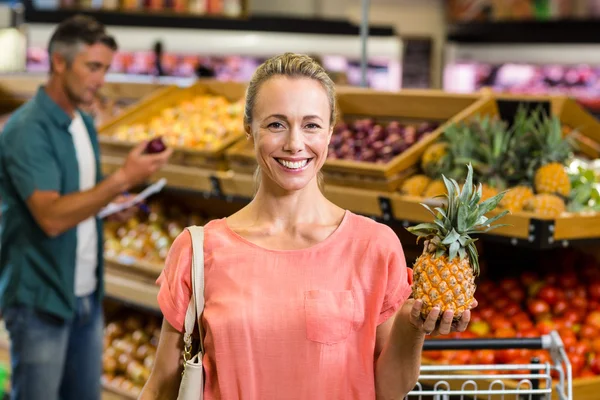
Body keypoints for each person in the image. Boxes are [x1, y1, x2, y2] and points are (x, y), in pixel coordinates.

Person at [140, 53, 474, 400]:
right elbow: (161, 385)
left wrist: (412, 326)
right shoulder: (199, 250)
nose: (295, 144)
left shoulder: (373, 246)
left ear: (330, 132)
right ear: (248, 129)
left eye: (311, 125)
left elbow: (388, 391)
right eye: (276, 124)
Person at [0, 15, 172, 400]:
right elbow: (52, 217)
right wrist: (122, 179)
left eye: (106, 68)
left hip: (86, 294)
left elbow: (78, 198)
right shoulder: (27, 130)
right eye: (92, 67)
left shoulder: (83, 123)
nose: (101, 79)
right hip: (39, 298)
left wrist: (112, 202)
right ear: (59, 62)